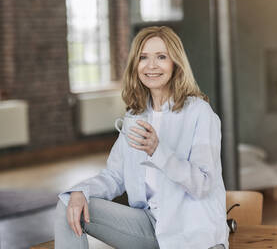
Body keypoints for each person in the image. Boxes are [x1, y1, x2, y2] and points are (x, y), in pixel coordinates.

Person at [54, 26, 229, 249]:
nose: (151, 65)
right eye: (143, 57)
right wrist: (81, 190)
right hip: (150, 227)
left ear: (175, 63)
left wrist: (159, 151)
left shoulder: (199, 113)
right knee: (69, 202)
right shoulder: (135, 116)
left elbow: (203, 185)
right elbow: (114, 176)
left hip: (192, 234)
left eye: (161, 57)